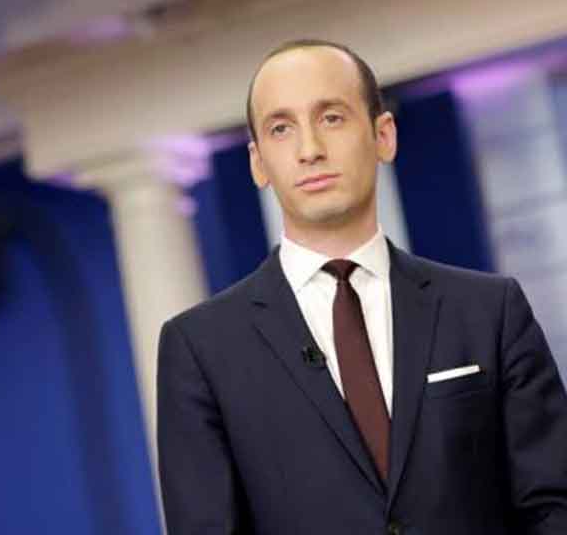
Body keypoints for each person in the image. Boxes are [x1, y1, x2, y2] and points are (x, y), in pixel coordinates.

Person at [156, 40, 567, 534]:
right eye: (281, 128)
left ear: (383, 135)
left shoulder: (488, 310)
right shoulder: (200, 349)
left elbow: (553, 506)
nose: (310, 150)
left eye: (331, 118)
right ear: (258, 163)